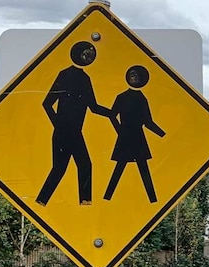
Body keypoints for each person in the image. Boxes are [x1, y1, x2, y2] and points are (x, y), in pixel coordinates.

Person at [36, 41, 111, 207]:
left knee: (79, 166)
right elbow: (47, 103)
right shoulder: (65, 75)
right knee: (64, 168)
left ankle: (82, 203)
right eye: (85, 54)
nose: (88, 57)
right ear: (77, 54)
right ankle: (43, 201)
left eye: (90, 55)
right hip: (65, 132)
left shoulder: (85, 78)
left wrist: (111, 113)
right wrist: (59, 125)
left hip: (74, 132)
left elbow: (93, 107)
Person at [103, 65, 165, 203]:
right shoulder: (122, 97)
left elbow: (148, 122)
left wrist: (163, 135)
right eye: (131, 76)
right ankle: (107, 197)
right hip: (127, 137)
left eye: (136, 76)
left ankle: (152, 199)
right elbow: (112, 115)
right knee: (120, 168)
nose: (134, 78)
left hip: (137, 137)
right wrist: (120, 131)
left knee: (143, 168)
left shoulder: (142, 99)